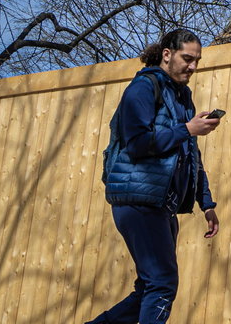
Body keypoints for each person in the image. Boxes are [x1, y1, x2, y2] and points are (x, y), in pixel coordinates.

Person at [91, 28, 221, 324]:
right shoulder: (143, 88)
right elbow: (137, 143)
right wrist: (186, 129)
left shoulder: (182, 97)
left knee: (150, 287)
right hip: (137, 199)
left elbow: (191, 155)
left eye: (197, 60)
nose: (193, 66)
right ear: (167, 54)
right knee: (162, 283)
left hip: (162, 203)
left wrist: (207, 204)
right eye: (187, 58)